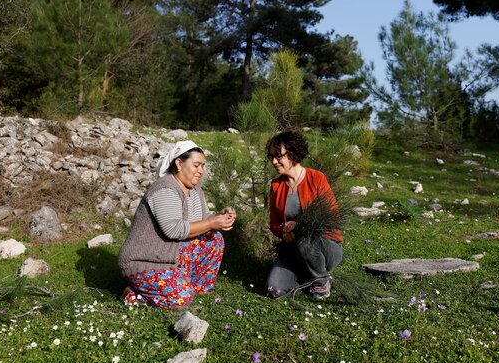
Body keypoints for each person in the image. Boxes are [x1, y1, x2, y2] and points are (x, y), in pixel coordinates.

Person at [118, 140, 236, 309]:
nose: (201, 171)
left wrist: (219, 217)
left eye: (202, 165)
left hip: (170, 254)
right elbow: (174, 230)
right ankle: (135, 294)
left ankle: (194, 289)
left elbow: (203, 219)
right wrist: (211, 222)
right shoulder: (165, 189)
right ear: (179, 164)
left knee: (214, 239)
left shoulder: (195, 190)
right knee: (181, 299)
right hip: (145, 260)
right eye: (196, 165)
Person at [265, 130, 343, 299]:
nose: (274, 161)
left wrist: (299, 226)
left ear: (292, 153)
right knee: (275, 288)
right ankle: (308, 275)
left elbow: (331, 216)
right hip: (293, 249)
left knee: (305, 244)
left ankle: (321, 280)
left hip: (324, 245)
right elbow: (274, 223)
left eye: (278, 155)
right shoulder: (276, 185)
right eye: (271, 156)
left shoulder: (316, 178)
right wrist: (283, 230)